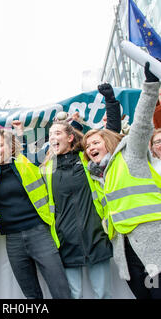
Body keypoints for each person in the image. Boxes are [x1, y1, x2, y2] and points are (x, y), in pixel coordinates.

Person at [81, 62, 161, 299]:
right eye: (87, 145)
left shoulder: (130, 154)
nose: (91, 147)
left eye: (96, 142)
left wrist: (150, 85)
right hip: (130, 257)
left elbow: (142, 123)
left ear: (109, 143)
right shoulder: (96, 175)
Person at [0, 128, 71, 299]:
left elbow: (57, 150)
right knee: (31, 295)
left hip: (39, 233)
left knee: (61, 291)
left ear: (11, 147)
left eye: (0, 145)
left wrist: (75, 125)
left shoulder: (27, 163)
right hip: (13, 240)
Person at [40, 120, 113, 299]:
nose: (52, 138)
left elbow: (110, 140)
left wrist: (110, 106)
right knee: (73, 294)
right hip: (65, 241)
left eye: (57, 133)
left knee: (102, 294)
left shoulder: (87, 159)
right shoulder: (46, 170)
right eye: (50, 135)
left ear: (70, 137)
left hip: (95, 236)